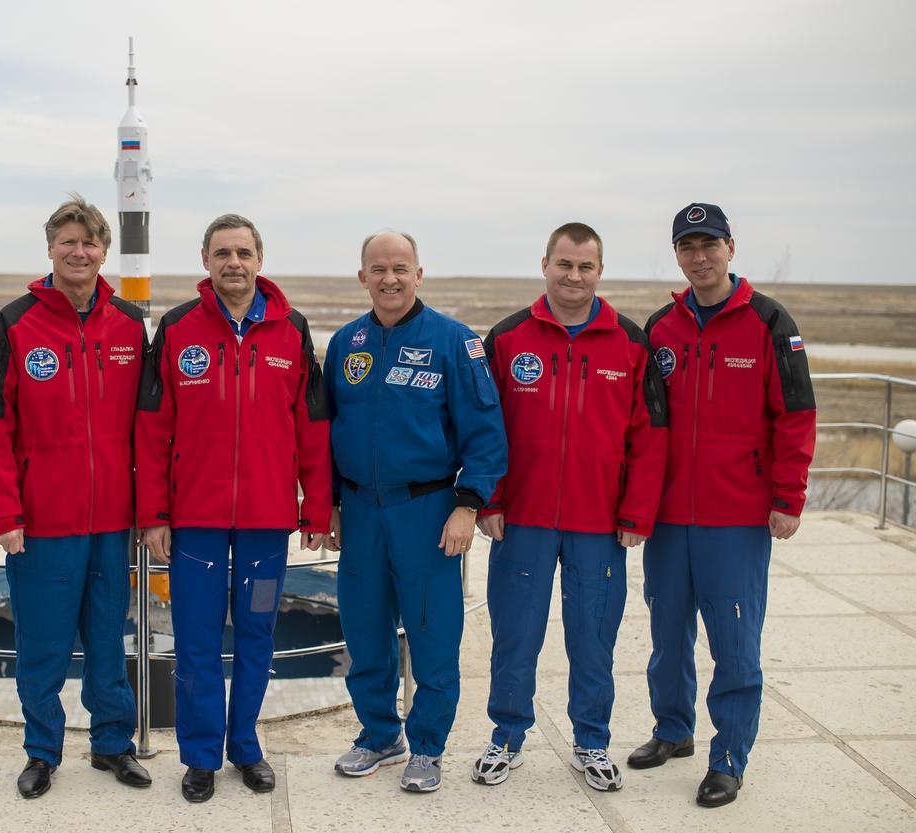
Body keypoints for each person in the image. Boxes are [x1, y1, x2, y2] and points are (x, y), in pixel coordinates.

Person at [136, 213, 331, 803]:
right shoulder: (175, 330)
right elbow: (150, 431)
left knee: (255, 636)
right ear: (205, 260)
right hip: (194, 519)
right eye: (222, 253)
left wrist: (316, 509)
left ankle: (245, 746)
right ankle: (200, 757)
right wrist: (153, 515)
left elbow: (314, 428)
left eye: (243, 252)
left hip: (267, 522)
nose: (234, 263)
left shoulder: (292, 330)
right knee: (195, 641)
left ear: (260, 259)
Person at [470, 223, 667, 793]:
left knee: (593, 637)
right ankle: (507, 737)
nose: (573, 276)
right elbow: (487, 429)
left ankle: (592, 741)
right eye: (564, 264)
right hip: (523, 519)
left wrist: (636, 514)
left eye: (585, 267)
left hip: (598, 525)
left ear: (599, 271)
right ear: (545, 265)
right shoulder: (507, 339)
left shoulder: (630, 343)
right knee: (516, 634)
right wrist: (491, 500)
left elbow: (650, 435)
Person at [631, 202, 815, 808]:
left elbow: (796, 415)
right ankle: (673, 730)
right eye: (688, 247)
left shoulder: (768, 321)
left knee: (734, 642)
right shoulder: (661, 328)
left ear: (731, 248)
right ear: (677, 255)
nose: (700, 257)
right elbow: (643, 425)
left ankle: (729, 756)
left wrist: (788, 497)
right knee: (666, 631)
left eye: (710, 245)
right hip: (668, 516)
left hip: (736, 518)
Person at [0, 195, 150, 798]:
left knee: (108, 638)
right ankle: (43, 750)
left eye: (90, 242)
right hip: (41, 521)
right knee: (43, 644)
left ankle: (112, 744)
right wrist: (3, 511)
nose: (79, 252)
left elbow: (149, 427)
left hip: (110, 523)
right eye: (67, 241)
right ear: (50, 247)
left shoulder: (129, 323)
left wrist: (148, 509)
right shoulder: (15, 323)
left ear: (104, 252)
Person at [324, 230, 507, 793]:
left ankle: (427, 746)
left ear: (419, 274)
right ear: (362, 277)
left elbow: (486, 435)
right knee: (365, 630)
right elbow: (326, 429)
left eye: (400, 268)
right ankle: (379, 735)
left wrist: (468, 505)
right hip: (359, 511)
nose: (389, 279)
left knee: (432, 634)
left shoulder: (454, 342)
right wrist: (330, 502)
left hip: (426, 513)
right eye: (377, 269)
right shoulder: (345, 344)